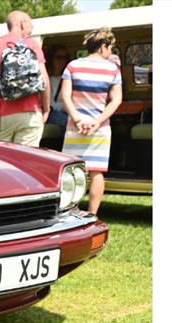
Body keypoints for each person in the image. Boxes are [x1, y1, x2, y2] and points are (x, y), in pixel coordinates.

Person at [61, 27, 122, 215]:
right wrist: (97, 122)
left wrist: (78, 120)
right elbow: (116, 100)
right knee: (96, 172)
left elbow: (65, 96)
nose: (110, 51)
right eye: (110, 47)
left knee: (71, 172)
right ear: (103, 46)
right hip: (100, 129)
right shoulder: (113, 70)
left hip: (75, 127)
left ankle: (72, 211)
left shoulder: (72, 66)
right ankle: (92, 213)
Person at [0, 10, 51, 146]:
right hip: (29, 115)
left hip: (2, 117)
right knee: (26, 162)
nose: (32, 28)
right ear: (22, 24)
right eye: (30, 24)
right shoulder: (31, 45)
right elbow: (44, 81)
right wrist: (46, 109)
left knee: (3, 163)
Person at [46, 44, 70, 127]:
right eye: (58, 57)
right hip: (49, 113)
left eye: (65, 58)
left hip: (66, 112)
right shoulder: (45, 78)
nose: (62, 61)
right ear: (51, 58)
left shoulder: (68, 79)